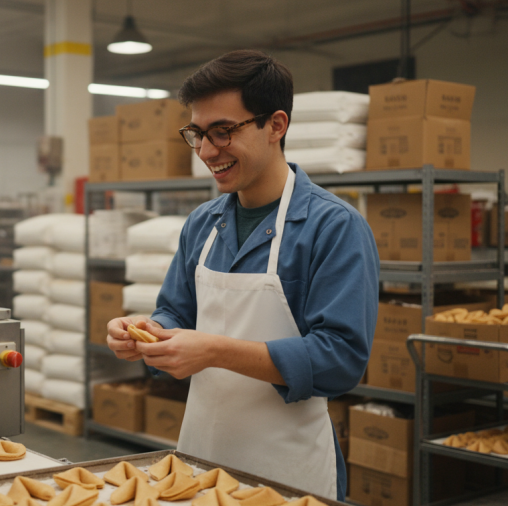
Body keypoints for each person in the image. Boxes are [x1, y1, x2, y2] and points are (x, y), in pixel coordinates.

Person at [106, 50, 379, 501]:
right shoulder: (203, 223)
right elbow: (176, 311)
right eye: (198, 133)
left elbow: (341, 358)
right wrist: (149, 333)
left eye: (224, 132)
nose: (208, 151)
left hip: (289, 471)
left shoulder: (332, 228)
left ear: (276, 125)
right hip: (200, 459)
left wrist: (214, 350)